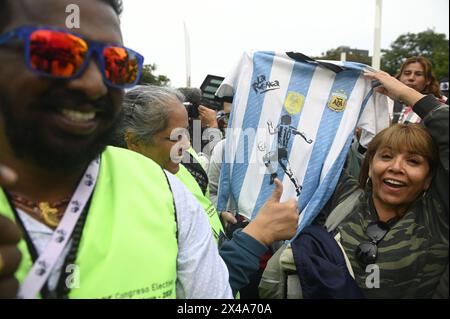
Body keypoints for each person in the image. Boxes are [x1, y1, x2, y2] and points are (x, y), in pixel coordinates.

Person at [0, 0, 297, 299]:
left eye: (115, 63)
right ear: (134, 140)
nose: (93, 83)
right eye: (56, 54)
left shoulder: (167, 191)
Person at [261, 70, 449, 298]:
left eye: (413, 161)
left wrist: (406, 94)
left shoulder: (437, 216)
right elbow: (296, 137)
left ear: (429, 178)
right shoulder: (340, 195)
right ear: (369, 165)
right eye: (386, 156)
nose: (396, 167)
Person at [113, 85, 299, 295]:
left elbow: (200, 206)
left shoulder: (178, 164)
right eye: (176, 137)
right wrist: (258, 234)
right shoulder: (131, 205)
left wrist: (217, 216)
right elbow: (204, 287)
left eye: (187, 130)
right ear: (134, 141)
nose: (187, 143)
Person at [392, 56, 447, 124]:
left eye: (418, 74)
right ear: (400, 77)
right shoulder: (389, 101)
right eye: (407, 73)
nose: (411, 78)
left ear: (428, 80)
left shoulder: (439, 107)